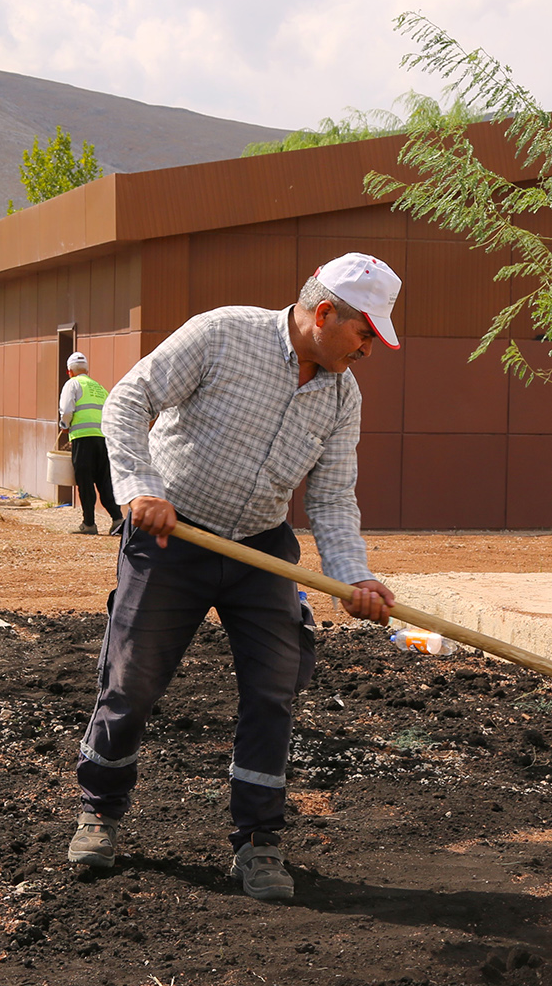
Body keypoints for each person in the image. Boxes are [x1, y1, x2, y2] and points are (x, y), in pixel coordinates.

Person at [69, 252, 401, 901]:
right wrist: (139, 487)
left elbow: (332, 499)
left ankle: (258, 841)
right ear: (326, 313)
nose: (370, 347)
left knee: (274, 689)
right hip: (172, 536)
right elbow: (129, 399)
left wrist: (356, 576)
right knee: (131, 679)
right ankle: (100, 811)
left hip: (260, 551)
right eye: (366, 332)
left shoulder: (342, 395)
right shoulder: (222, 333)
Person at [57, 351, 121, 535]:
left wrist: (64, 425)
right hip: (103, 438)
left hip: (83, 437)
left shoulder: (72, 384)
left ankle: (89, 524)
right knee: (104, 480)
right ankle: (117, 519)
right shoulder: (99, 388)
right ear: (87, 370)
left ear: (69, 371)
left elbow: (67, 409)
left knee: (85, 481)